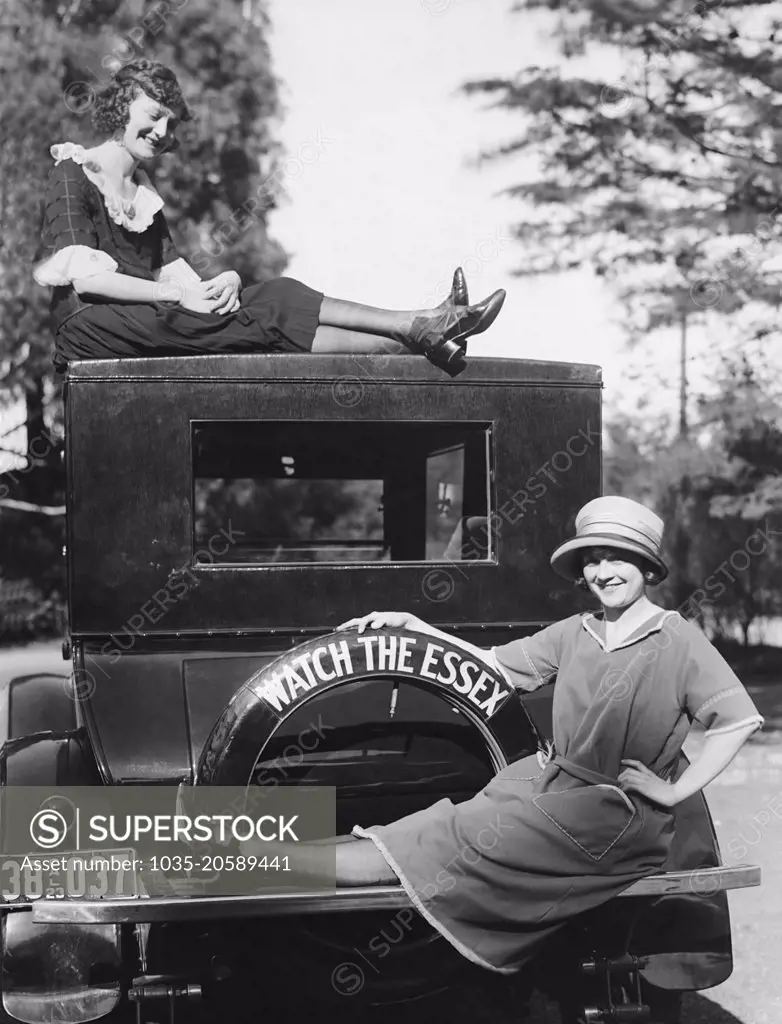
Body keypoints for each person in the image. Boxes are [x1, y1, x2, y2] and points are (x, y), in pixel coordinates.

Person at [246, 495, 764, 974]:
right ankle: (225, 860)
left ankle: (233, 864)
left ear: (647, 566)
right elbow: (488, 665)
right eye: (592, 560)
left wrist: (673, 790)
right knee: (439, 824)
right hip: (551, 789)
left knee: (455, 841)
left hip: (613, 819)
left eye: (616, 558)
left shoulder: (677, 638)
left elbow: (738, 719)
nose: (602, 572)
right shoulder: (576, 631)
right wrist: (416, 627)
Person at [32, 59, 506, 378]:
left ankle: (420, 327)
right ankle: (420, 336)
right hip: (91, 329)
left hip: (145, 319)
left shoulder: (143, 194)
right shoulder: (73, 175)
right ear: (122, 105)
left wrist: (225, 283)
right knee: (253, 327)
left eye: (171, 123)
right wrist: (176, 295)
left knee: (273, 295)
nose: (162, 131)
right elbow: (89, 283)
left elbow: (176, 272)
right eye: (154, 115)